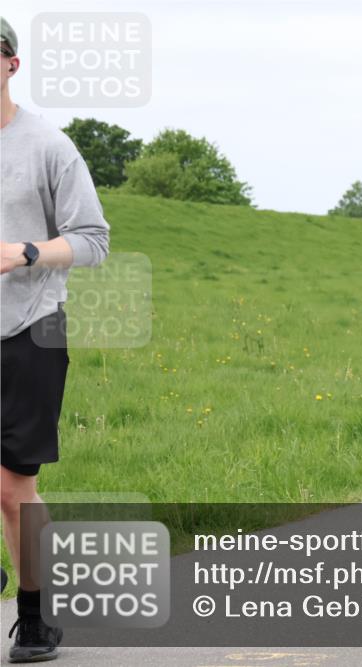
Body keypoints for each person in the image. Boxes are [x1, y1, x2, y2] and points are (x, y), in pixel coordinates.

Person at [1, 17, 110, 662]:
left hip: (29, 329)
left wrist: (27, 252)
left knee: (14, 488)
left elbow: (94, 241)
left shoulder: (48, 145)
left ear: (12, 64)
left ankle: (34, 617)